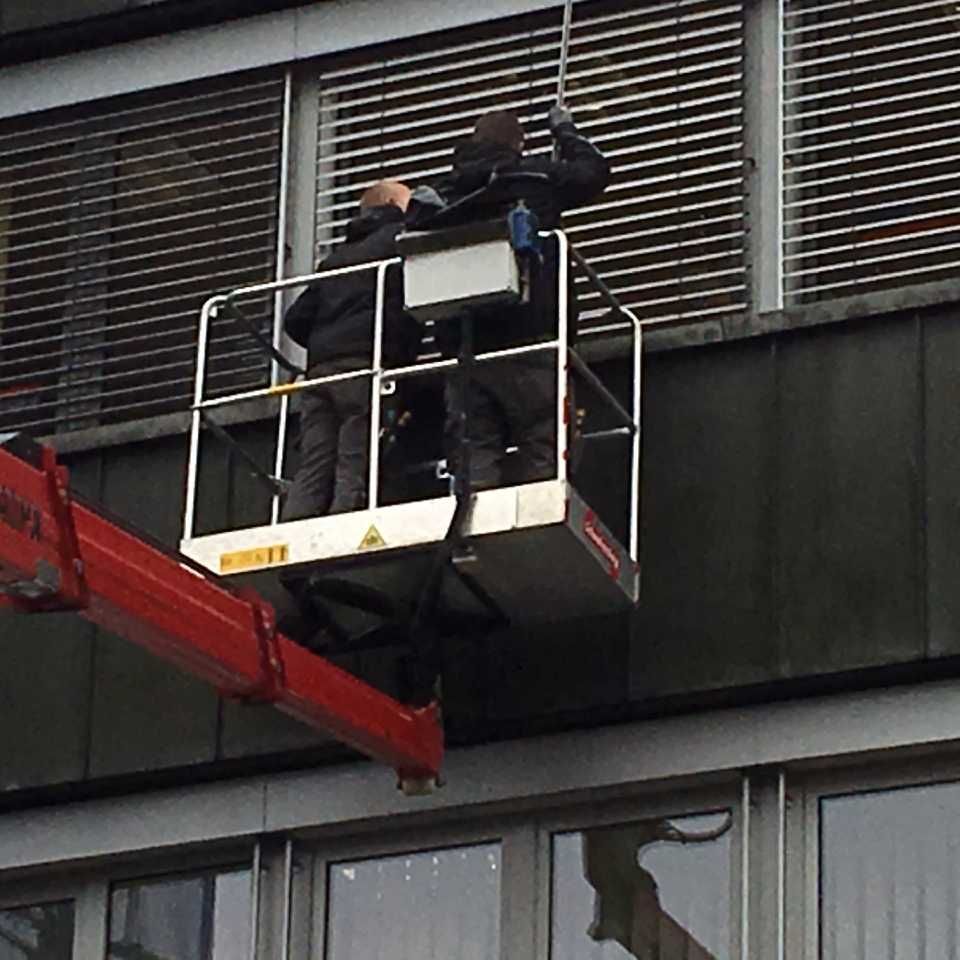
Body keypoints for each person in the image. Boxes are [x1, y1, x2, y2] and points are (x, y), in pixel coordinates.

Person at [431, 106, 610, 489]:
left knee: (474, 450)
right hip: (532, 339)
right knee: (544, 444)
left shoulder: (445, 195)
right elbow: (593, 174)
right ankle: (536, 531)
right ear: (519, 144)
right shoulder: (533, 178)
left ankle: (471, 536)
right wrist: (565, 132)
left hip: (467, 348)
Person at [281, 179, 420, 519]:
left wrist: (324, 345)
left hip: (320, 372)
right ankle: (345, 521)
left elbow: (296, 318)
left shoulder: (336, 260)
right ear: (391, 205)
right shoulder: (398, 240)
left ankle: (296, 527)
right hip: (364, 364)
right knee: (355, 452)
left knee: (315, 461)